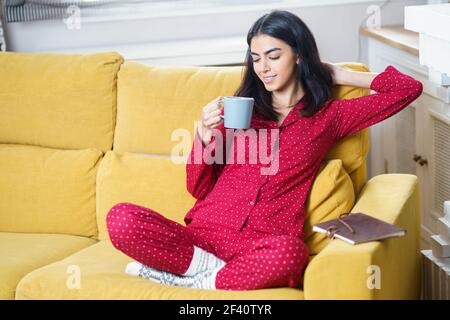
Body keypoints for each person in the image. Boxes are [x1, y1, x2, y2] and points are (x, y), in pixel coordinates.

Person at [106, 10, 423, 291]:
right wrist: (202, 137)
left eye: (273, 56)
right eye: (256, 58)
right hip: (204, 236)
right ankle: (212, 275)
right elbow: (198, 188)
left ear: (299, 55)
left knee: (292, 254)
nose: (263, 68)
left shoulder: (329, 117)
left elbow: (409, 89)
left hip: (263, 243)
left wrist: (339, 74)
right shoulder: (238, 111)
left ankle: (197, 279)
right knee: (121, 218)